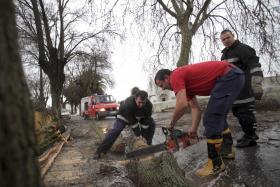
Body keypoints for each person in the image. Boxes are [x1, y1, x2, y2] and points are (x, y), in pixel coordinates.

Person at [154, 61, 244, 177]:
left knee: (211, 118)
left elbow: (182, 105)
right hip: (233, 75)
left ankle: (215, 164)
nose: (163, 89)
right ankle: (227, 151)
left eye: (162, 85)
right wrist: (193, 130)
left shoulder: (175, 75)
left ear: (167, 78)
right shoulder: (185, 86)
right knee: (217, 116)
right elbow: (195, 109)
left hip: (229, 75)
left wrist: (171, 124)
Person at [220, 29, 264, 148]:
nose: (226, 41)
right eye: (223, 39)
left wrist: (257, 84)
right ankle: (247, 134)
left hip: (245, 89)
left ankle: (251, 138)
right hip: (233, 91)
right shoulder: (224, 54)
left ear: (233, 36)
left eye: (228, 37)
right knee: (238, 113)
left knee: (246, 114)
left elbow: (254, 65)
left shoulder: (243, 49)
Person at [93, 90, 155, 159]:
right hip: (123, 117)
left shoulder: (149, 106)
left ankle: (148, 144)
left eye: (143, 103)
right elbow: (133, 123)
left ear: (146, 100)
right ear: (135, 99)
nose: (141, 105)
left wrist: (144, 137)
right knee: (116, 130)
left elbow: (146, 120)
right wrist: (138, 134)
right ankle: (100, 151)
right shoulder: (128, 104)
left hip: (138, 117)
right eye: (139, 102)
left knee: (151, 124)